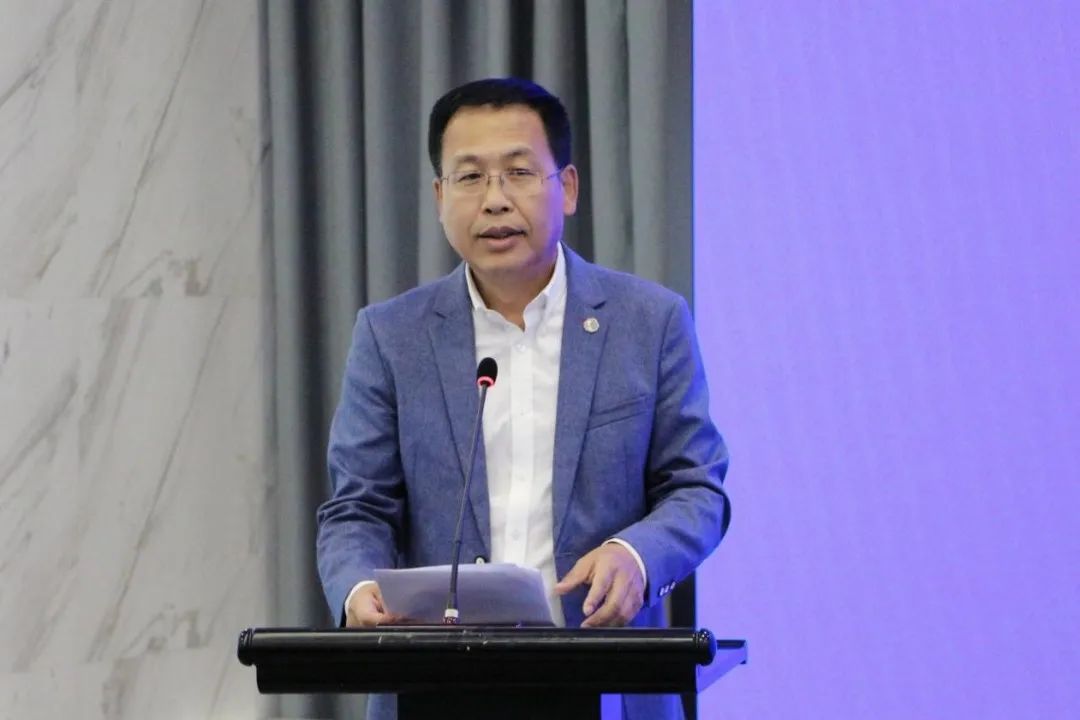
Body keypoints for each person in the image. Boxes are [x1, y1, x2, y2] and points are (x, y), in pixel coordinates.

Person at [316, 77, 730, 720]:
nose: (494, 200)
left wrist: (637, 555)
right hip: (436, 689)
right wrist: (359, 587)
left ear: (568, 187)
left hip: (604, 684)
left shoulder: (648, 322)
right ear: (440, 197)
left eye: (518, 172)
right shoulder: (391, 336)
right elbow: (357, 507)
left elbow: (696, 489)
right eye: (469, 177)